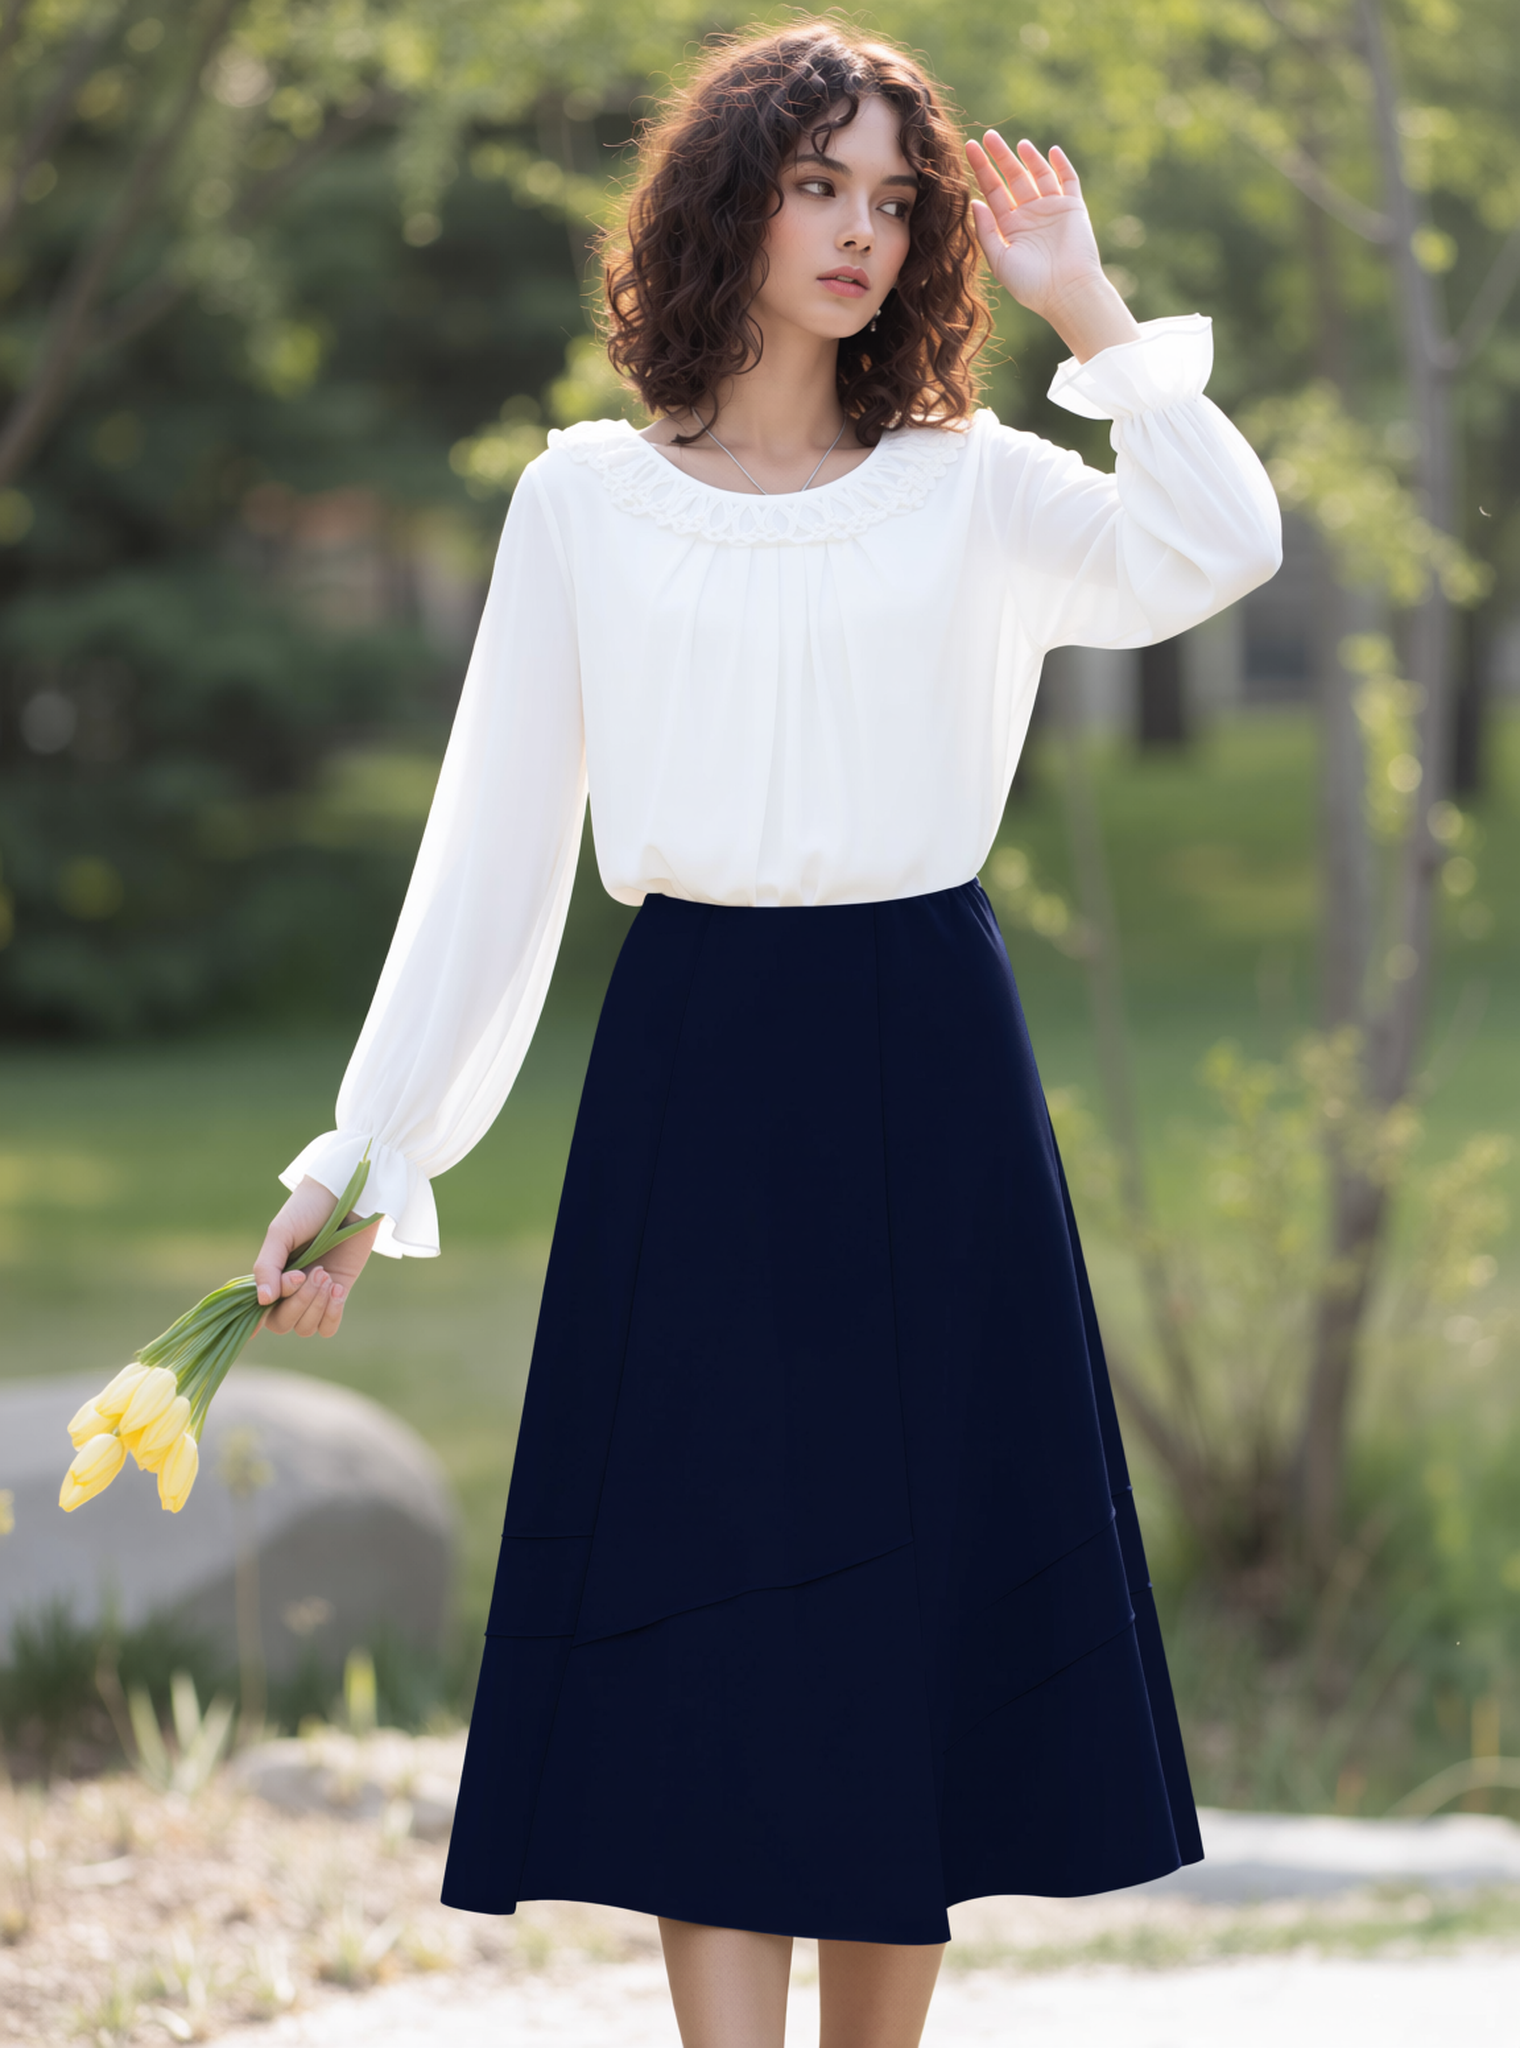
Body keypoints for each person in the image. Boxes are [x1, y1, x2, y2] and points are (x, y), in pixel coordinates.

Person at [252, 22, 1280, 2048]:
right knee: (711, 1603)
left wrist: (1087, 306)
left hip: (930, 1071)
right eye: (818, 183)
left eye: (893, 197)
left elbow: (1222, 540)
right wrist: (370, 1160)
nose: (859, 230)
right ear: (728, 200)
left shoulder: (974, 490)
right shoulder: (584, 501)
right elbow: (491, 852)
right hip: (698, 1071)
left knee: (911, 1605)